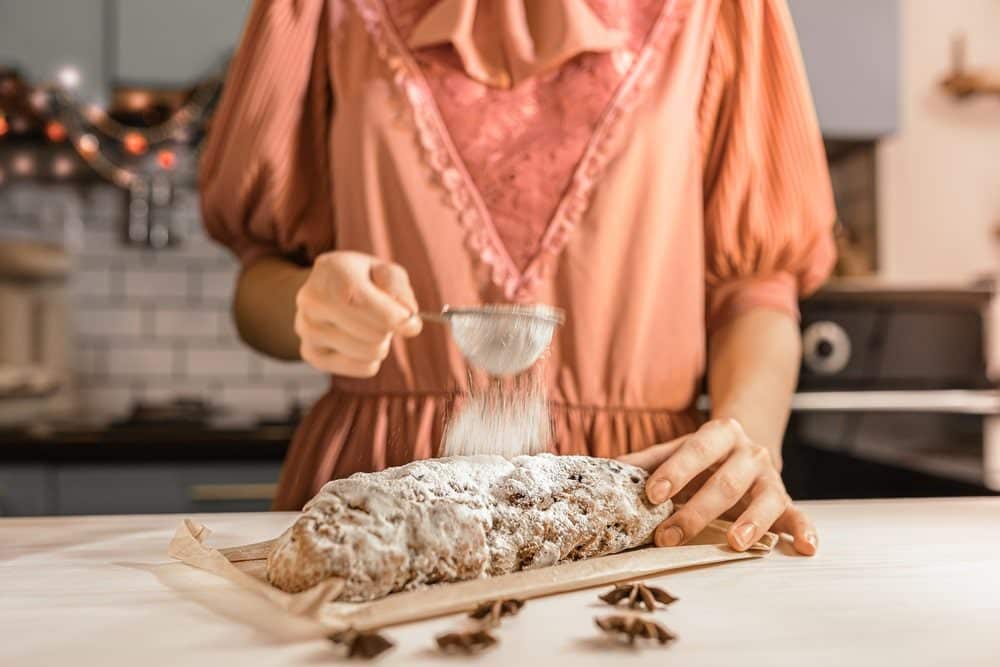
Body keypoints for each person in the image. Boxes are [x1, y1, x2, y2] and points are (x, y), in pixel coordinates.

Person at [200, 0, 836, 556]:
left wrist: (743, 445)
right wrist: (308, 306)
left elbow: (755, 288)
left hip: (643, 494)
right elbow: (258, 285)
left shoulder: (724, 7)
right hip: (379, 485)